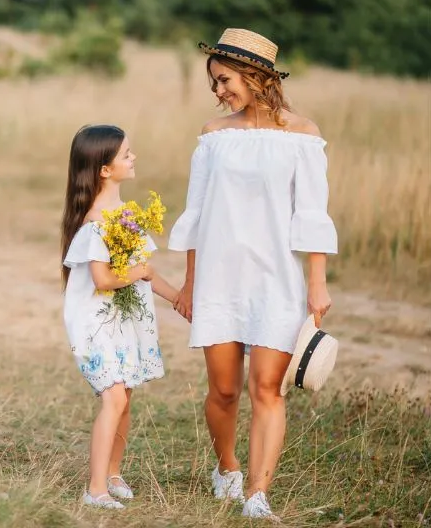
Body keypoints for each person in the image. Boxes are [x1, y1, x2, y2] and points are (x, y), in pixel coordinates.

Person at [168, 29, 338, 520]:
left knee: (268, 388)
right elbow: (197, 215)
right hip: (219, 277)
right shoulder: (214, 136)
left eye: (224, 80)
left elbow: (312, 215)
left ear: (255, 76)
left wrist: (317, 284)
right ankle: (227, 467)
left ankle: (257, 495)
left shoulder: (303, 135)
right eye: (214, 83)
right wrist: (190, 283)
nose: (218, 91)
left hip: (276, 280)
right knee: (224, 391)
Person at [61, 124, 179, 509]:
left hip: (124, 320)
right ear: (104, 169)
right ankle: (95, 490)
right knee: (113, 397)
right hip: (97, 321)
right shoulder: (95, 221)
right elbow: (103, 279)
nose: (133, 158)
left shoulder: (125, 215)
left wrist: (179, 299)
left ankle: (113, 473)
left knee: (125, 397)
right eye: (126, 154)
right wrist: (138, 272)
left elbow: (147, 271)